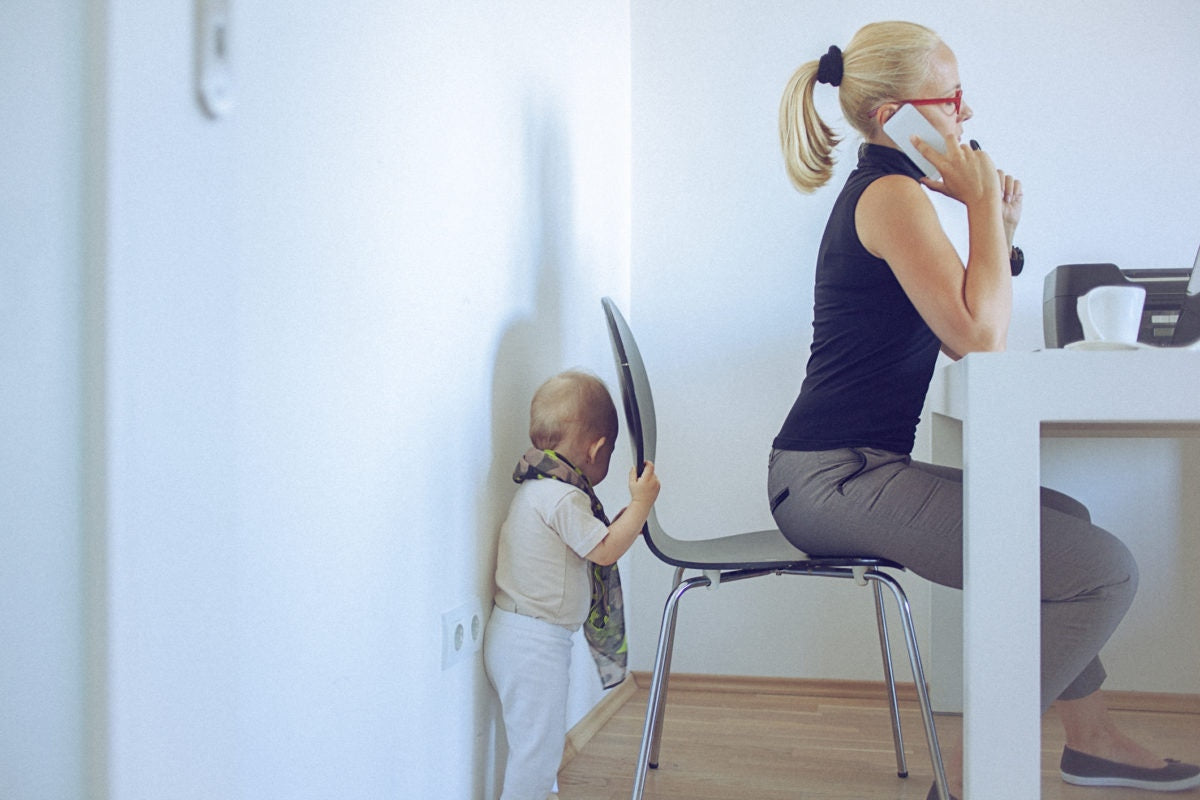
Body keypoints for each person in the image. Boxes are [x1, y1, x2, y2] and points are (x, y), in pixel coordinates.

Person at [769, 21, 1200, 800]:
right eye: (955, 99)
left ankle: (1091, 741)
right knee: (1102, 571)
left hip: (849, 471)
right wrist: (977, 212)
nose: (967, 115)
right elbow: (982, 339)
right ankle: (969, 782)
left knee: (1063, 518)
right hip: (829, 480)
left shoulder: (894, 193)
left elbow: (969, 314)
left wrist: (994, 231)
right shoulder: (892, 195)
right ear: (898, 113)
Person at [484, 370, 661, 800]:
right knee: (537, 752)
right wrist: (641, 504)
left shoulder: (542, 487)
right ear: (597, 448)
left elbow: (593, 541)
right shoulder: (563, 497)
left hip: (521, 636)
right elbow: (603, 551)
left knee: (536, 744)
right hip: (534, 644)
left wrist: (623, 522)